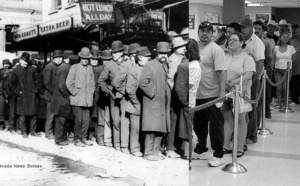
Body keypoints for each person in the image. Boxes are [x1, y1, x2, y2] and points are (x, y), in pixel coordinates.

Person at [193, 21, 227, 167]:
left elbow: (222, 71)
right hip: (197, 94)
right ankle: (201, 147)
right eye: (202, 30)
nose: (205, 33)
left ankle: (218, 154)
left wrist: (221, 94)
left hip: (212, 96)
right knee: (198, 125)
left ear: (213, 33)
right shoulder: (195, 48)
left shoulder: (215, 49)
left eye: (208, 31)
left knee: (215, 127)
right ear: (198, 32)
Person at [222, 32, 256, 158]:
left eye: (234, 40)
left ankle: (240, 147)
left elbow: (248, 76)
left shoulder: (247, 58)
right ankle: (226, 145)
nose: (231, 42)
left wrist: (231, 83)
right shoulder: (225, 55)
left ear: (241, 43)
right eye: (230, 40)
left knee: (241, 120)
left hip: (241, 93)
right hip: (226, 93)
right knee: (227, 119)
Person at [138, 42, 172, 161]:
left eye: (166, 53)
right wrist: (153, 92)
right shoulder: (150, 65)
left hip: (162, 103)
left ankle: (156, 151)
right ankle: (148, 154)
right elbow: (142, 82)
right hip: (152, 102)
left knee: (160, 128)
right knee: (151, 129)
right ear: (156, 53)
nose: (163, 55)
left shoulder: (165, 65)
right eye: (161, 53)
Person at [240, 18, 265, 145]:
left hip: (253, 80)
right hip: (241, 79)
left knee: (252, 107)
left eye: (244, 27)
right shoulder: (240, 39)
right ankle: (241, 133)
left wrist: (253, 79)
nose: (242, 29)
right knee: (241, 107)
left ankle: (251, 134)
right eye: (241, 27)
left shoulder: (257, 42)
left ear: (251, 27)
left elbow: (260, 62)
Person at [98, 41, 127, 152]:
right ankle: (117, 144)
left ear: (121, 53)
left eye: (115, 52)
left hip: (125, 97)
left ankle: (124, 144)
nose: (113, 55)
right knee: (115, 121)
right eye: (112, 52)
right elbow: (101, 81)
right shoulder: (109, 65)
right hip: (113, 97)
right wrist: (108, 91)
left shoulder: (127, 63)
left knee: (125, 121)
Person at [66, 47, 95, 147]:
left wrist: (91, 92)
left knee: (86, 120)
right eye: (83, 58)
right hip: (77, 99)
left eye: (87, 58)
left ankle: (84, 138)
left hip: (87, 100)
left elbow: (93, 83)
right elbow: (69, 83)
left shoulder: (90, 68)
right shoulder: (74, 67)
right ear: (80, 57)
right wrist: (75, 93)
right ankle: (77, 139)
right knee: (78, 120)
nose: (85, 60)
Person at [177, 38, 201, 159]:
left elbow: (188, 85)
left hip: (189, 102)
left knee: (187, 129)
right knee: (184, 128)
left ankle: (187, 154)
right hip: (187, 101)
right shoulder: (190, 64)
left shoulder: (194, 66)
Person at [126, 46, 151, 157]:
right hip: (136, 104)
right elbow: (130, 89)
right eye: (147, 57)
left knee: (144, 127)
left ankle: (144, 147)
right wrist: (136, 103)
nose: (149, 58)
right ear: (140, 58)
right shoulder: (133, 70)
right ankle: (134, 148)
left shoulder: (149, 68)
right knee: (135, 127)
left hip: (147, 105)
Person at [166, 36, 187, 158]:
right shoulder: (174, 59)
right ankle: (170, 148)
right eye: (182, 47)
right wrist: (178, 93)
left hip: (178, 93)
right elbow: (171, 78)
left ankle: (175, 146)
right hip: (175, 95)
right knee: (174, 121)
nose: (184, 49)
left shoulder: (179, 58)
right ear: (177, 48)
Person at [50, 55, 78, 146]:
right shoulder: (65, 69)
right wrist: (67, 96)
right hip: (61, 99)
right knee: (61, 119)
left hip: (60, 98)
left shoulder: (63, 67)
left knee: (64, 119)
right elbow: (61, 85)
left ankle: (63, 137)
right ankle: (59, 139)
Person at [10, 52, 40, 138]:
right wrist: (18, 92)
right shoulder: (15, 71)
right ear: (20, 61)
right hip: (22, 96)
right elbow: (12, 84)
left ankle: (33, 131)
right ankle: (24, 132)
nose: (26, 63)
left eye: (27, 61)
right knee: (22, 115)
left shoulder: (33, 69)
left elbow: (37, 80)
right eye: (24, 61)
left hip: (32, 95)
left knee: (34, 114)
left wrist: (36, 90)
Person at [253, 20, 273, 119]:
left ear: (262, 31)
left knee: (266, 93)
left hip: (264, 72)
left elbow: (268, 60)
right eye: (255, 28)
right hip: (251, 73)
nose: (256, 30)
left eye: (259, 29)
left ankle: (267, 111)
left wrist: (263, 71)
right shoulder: (247, 42)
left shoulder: (266, 44)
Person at [44, 50, 64, 139]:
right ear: (57, 58)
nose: (61, 60)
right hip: (50, 96)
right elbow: (47, 83)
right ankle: (48, 133)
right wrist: (54, 92)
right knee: (50, 115)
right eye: (60, 58)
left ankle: (53, 132)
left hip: (55, 96)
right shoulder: (49, 67)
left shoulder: (57, 66)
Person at [273, 32, 296, 109]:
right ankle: (279, 103)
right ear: (280, 38)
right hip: (277, 70)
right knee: (279, 88)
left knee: (285, 87)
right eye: (284, 37)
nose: (286, 38)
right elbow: (273, 59)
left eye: (287, 37)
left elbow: (294, 59)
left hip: (287, 70)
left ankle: (285, 104)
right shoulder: (276, 48)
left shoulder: (291, 48)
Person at [89, 48, 106, 146]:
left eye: (96, 60)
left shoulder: (100, 68)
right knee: (90, 114)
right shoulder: (88, 68)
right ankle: (90, 133)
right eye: (92, 59)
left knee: (97, 115)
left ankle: (95, 134)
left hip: (98, 93)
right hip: (90, 94)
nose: (94, 61)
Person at [3, 59, 19, 134]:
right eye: (17, 65)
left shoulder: (20, 72)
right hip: (12, 96)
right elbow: (6, 85)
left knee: (18, 112)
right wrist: (10, 94)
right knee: (12, 112)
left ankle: (17, 127)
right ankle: (12, 128)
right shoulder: (10, 73)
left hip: (19, 95)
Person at [290, 27, 300, 104]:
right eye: (298, 32)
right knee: (294, 85)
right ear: (295, 33)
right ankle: (294, 99)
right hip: (293, 68)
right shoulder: (291, 42)